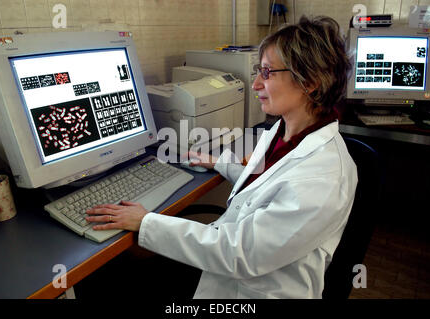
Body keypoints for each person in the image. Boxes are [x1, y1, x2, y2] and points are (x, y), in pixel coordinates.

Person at [86, 15, 357, 299]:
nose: (254, 85)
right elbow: (266, 185)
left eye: (267, 72)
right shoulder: (286, 129)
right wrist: (218, 163)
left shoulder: (323, 177)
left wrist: (146, 222)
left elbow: (240, 253)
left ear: (310, 82)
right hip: (231, 271)